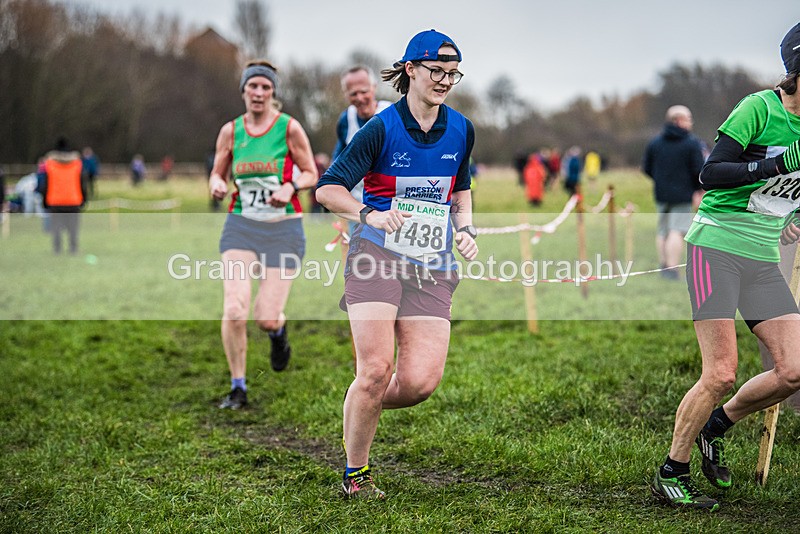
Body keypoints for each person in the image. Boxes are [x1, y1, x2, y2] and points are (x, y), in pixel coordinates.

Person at [316, 29, 478, 500]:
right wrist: (371, 213)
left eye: (453, 73)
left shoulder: (462, 129)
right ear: (410, 71)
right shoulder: (380, 128)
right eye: (437, 71)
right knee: (376, 369)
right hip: (377, 255)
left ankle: (359, 400)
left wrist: (465, 229)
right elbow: (328, 189)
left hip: (432, 262)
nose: (446, 81)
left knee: (419, 383)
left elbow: (460, 188)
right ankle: (356, 474)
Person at [651, 22, 800, 511]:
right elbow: (711, 173)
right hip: (714, 248)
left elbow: (785, 198)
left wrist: (794, 216)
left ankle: (717, 427)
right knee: (720, 373)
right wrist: (776, 164)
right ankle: (671, 473)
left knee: (795, 368)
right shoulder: (760, 108)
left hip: (761, 258)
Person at [208, 60, 317, 410]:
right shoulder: (230, 132)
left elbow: (311, 173)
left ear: (273, 92)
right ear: (243, 91)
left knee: (265, 316)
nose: (258, 93)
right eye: (252, 86)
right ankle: (238, 387)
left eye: (265, 87)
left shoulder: (288, 129)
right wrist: (216, 185)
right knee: (235, 309)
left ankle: (278, 333)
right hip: (241, 226)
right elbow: (217, 173)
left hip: (284, 230)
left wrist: (290, 187)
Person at [642, 105, 705, 279]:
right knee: (677, 231)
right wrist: (699, 190)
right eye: (688, 118)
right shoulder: (692, 143)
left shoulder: (655, 142)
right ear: (678, 120)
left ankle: (664, 265)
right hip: (683, 195)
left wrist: (660, 181)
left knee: (663, 231)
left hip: (661, 193)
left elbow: (646, 168)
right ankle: (671, 269)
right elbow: (699, 171)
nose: (691, 122)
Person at [333, 65, 393, 234]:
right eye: (353, 93)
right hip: (359, 206)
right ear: (345, 94)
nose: (359, 98)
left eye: (364, 91)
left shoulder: (393, 113)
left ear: (374, 88)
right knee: (360, 257)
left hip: (391, 206)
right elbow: (338, 162)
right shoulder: (346, 119)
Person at [36, 138, 86, 254]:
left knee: (56, 226)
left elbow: (45, 183)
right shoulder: (77, 164)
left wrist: (44, 200)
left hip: (55, 200)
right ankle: (73, 248)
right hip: (73, 199)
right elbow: (82, 183)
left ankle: (57, 249)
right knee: (73, 227)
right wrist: (84, 198)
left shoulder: (50, 164)